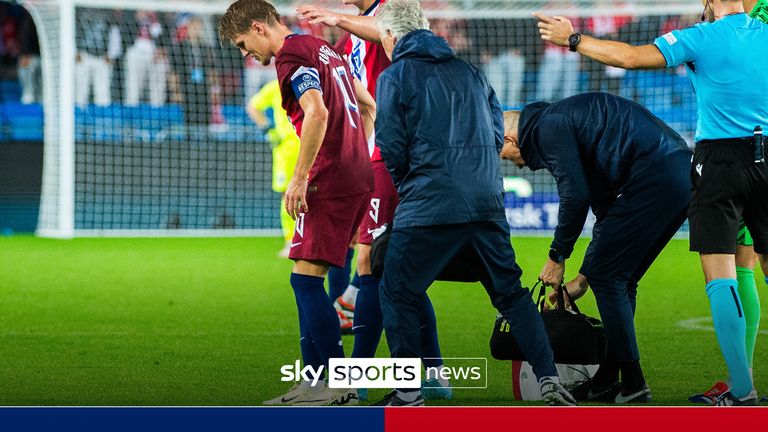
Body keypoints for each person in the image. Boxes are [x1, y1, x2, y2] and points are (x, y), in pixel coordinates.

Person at [534, 0, 768, 405]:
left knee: (722, 275)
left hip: (720, 163)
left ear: (711, 3)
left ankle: (743, 392)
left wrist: (572, 39)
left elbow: (629, 57)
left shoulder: (701, 36)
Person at [373, 0, 575, 407]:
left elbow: (390, 144)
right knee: (512, 295)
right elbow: (499, 130)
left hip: (428, 202)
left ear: (391, 37)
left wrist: (411, 187)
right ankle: (550, 379)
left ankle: (409, 394)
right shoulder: (471, 72)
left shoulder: (395, 75)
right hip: (485, 202)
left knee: (397, 290)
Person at [219, 0, 375, 406]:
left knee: (305, 280)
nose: (245, 53)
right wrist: (359, 151)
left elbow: (317, 112)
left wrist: (301, 177)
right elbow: (368, 104)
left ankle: (335, 384)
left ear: (258, 27)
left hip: (331, 177)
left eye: (242, 43)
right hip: (357, 172)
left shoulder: (290, 56)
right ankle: (313, 383)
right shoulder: (323, 49)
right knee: (312, 276)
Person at [297, 0, 451, 401]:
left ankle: (355, 376)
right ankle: (432, 372)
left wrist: (334, 19)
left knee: (368, 260)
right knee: (395, 268)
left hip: (392, 152)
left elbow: (392, 33)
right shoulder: (354, 30)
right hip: (372, 153)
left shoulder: (393, 11)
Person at [501, 92, 692, 404]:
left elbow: (574, 196)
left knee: (609, 278)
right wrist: (584, 276)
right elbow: (605, 213)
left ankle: (633, 382)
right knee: (620, 278)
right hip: (676, 176)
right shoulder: (561, 124)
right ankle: (607, 379)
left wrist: (557, 255)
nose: (521, 167)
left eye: (510, 158)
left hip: (654, 176)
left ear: (511, 138)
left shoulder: (548, 127)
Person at [689, 0, 766, 404]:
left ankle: (742, 384)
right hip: (757, 148)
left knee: (737, 265)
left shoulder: (754, 19)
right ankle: (742, 379)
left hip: (736, 153)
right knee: (745, 261)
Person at [246, 79, 300, 258]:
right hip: (287, 149)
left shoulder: (308, 79)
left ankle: (308, 240)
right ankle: (291, 241)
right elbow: (253, 106)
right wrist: (268, 129)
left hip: (308, 143)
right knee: (288, 194)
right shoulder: (276, 86)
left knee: (314, 193)